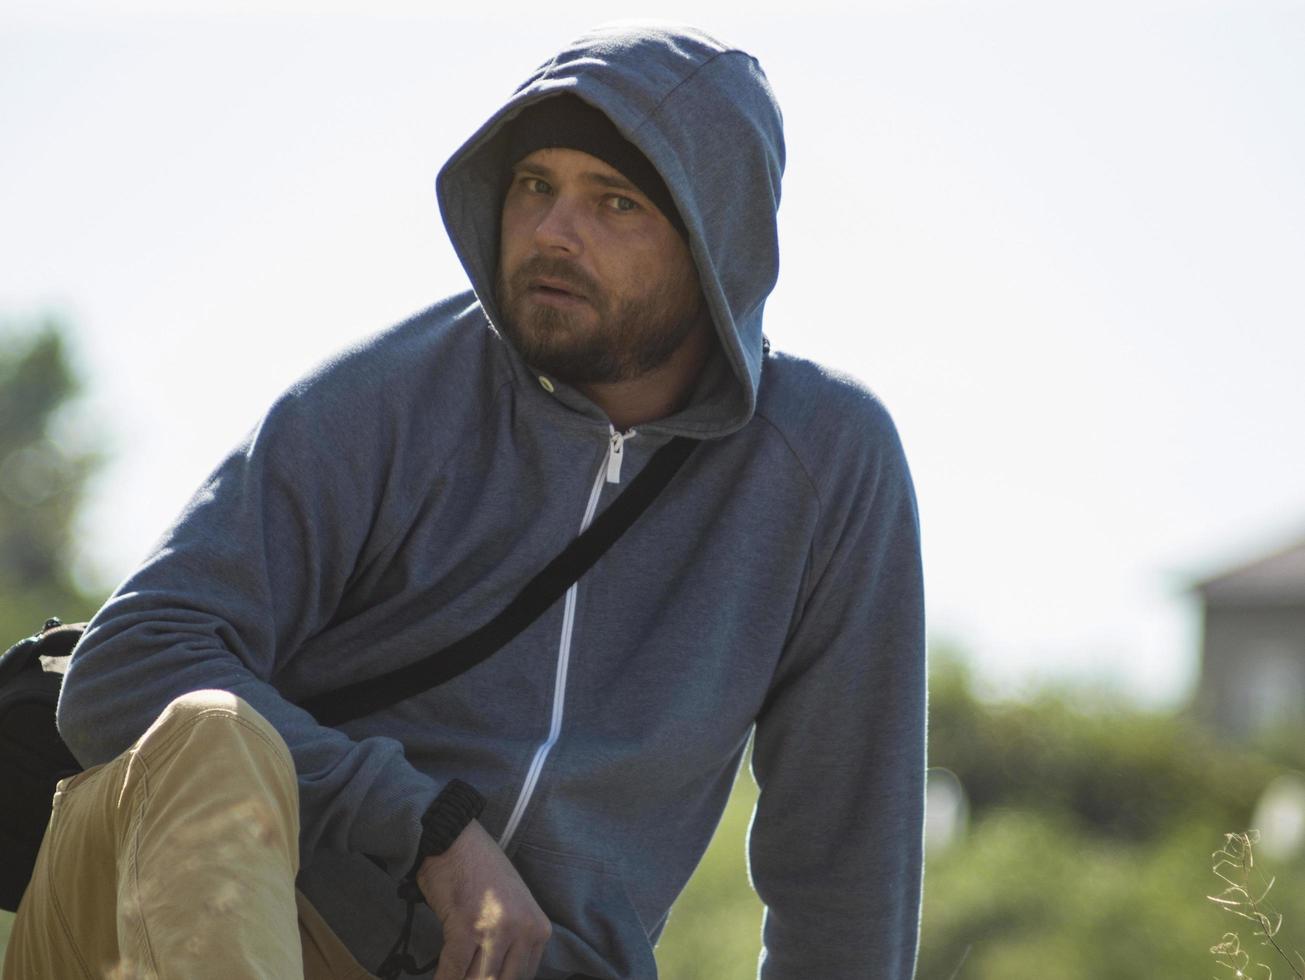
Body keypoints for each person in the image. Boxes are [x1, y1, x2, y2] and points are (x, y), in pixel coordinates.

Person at [5, 20, 925, 980]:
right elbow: (130, 658)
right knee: (207, 734)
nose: (552, 232)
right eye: (535, 186)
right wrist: (429, 827)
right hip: (234, 923)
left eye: (614, 202)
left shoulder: (824, 467)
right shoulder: (392, 398)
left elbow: (843, 886)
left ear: (713, 246)